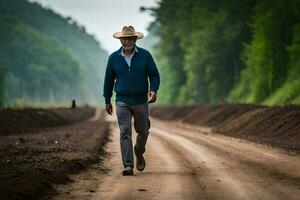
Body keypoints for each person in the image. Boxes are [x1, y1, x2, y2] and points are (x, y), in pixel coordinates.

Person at [103, 26, 160, 176]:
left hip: (141, 100)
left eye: (130, 38)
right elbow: (108, 80)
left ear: (135, 40)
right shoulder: (113, 58)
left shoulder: (145, 56)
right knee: (125, 131)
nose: (127, 41)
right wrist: (107, 100)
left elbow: (154, 75)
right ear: (120, 40)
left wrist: (153, 90)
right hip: (122, 100)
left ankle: (139, 151)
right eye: (124, 38)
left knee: (143, 131)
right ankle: (128, 165)